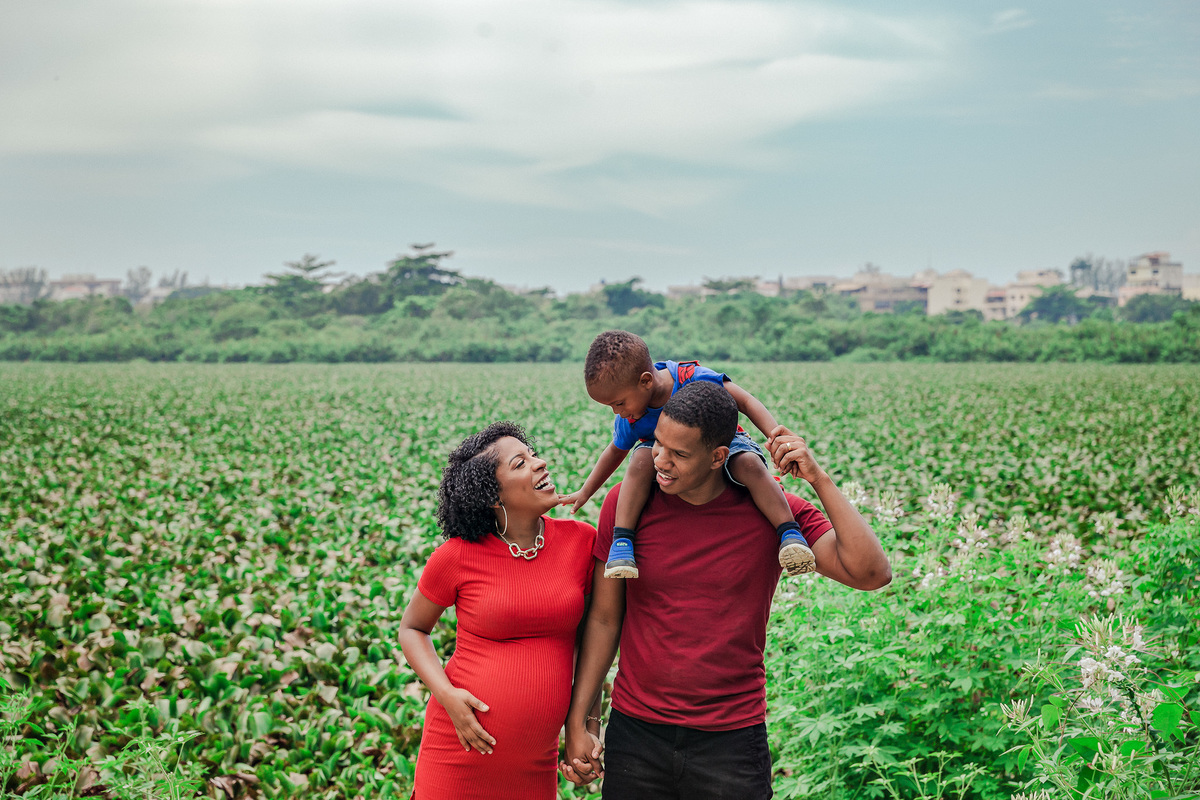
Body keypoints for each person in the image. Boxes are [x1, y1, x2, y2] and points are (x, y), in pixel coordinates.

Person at [560, 381, 892, 799]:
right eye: (658, 444)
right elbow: (605, 620)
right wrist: (579, 722)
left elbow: (871, 573)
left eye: (679, 454)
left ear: (719, 456)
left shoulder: (772, 513)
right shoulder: (627, 505)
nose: (660, 461)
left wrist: (818, 478)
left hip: (732, 743)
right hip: (636, 735)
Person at [399, 422, 601, 800]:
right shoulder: (457, 555)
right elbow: (412, 629)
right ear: (493, 496)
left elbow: (593, 645)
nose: (540, 464)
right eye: (521, 463)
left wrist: (589, 725)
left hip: (535, 764)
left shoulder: (581, 542)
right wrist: (446, 695)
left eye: (534, 454)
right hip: (459, 755)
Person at [560, 330, 817, 580]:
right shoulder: (631, 417)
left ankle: (788, 532)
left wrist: (777, 439)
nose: (617, 412)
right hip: (663, 455)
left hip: (722, 441)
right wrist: (586, 491)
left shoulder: (690, 376)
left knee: (748, 463)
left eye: (619, 403)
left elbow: (746, 402)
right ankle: (623, 541)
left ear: (646, 381)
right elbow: (615, 451)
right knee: (639, 459)